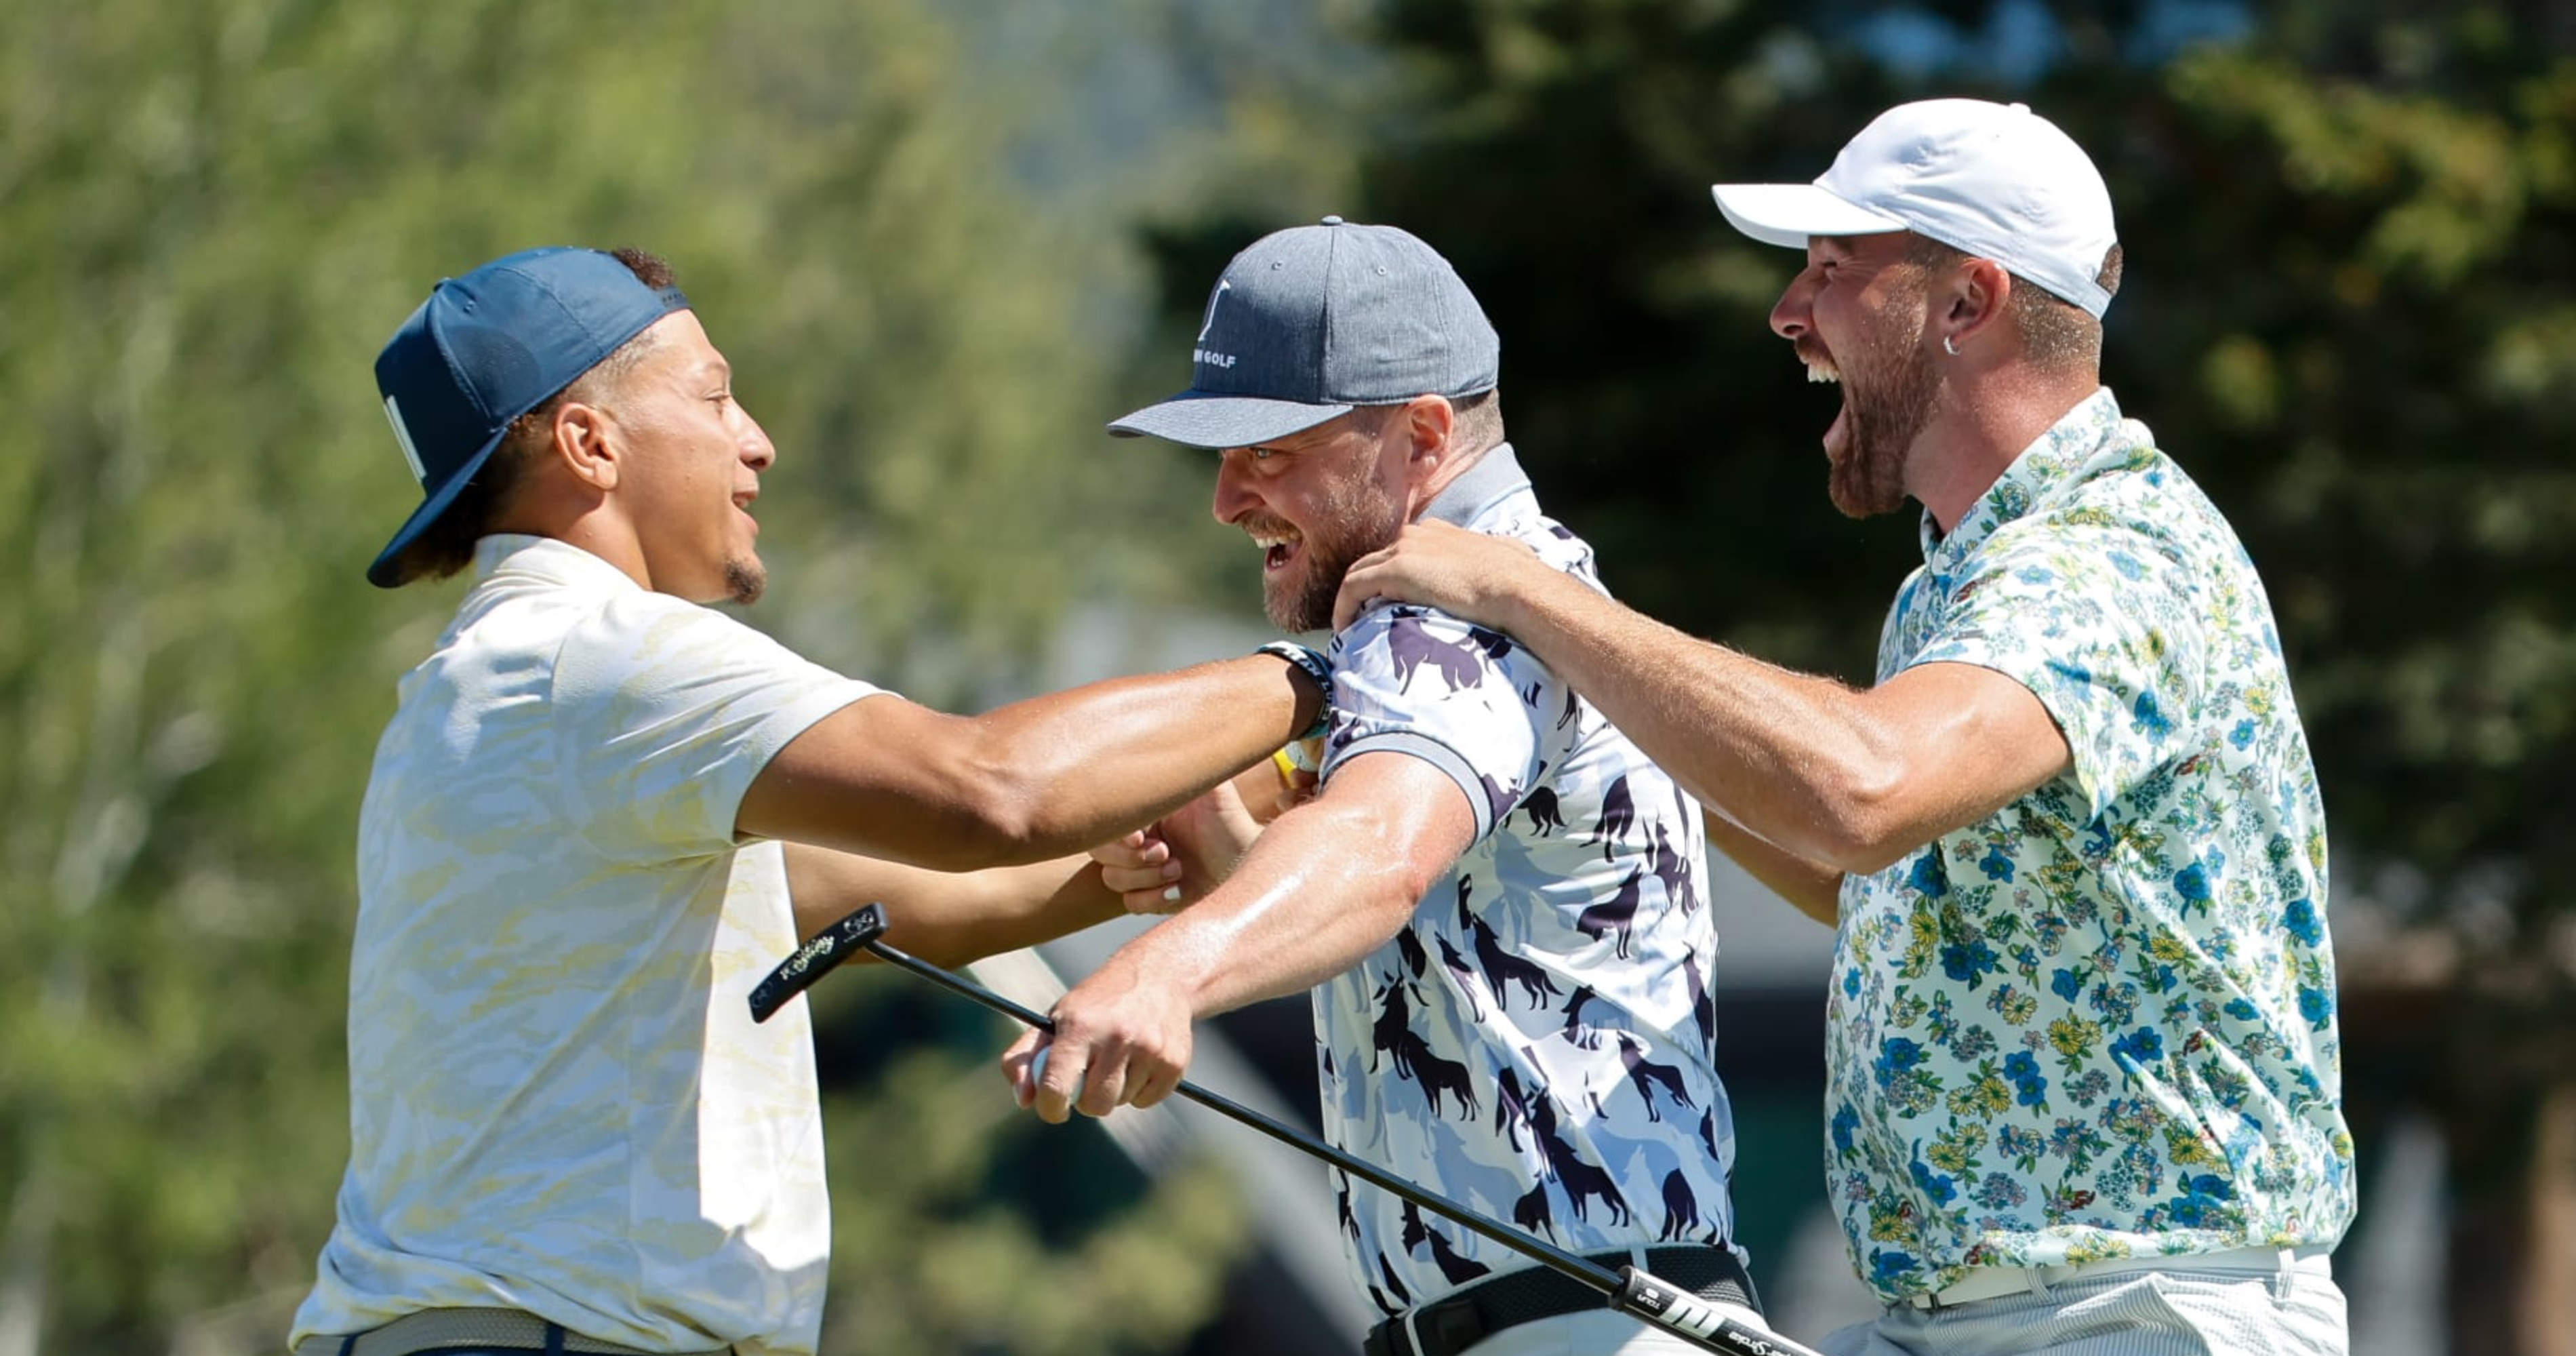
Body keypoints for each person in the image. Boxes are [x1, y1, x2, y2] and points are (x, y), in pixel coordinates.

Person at [1332, 101, 2354, 1355]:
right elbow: (1855, 870)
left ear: (1967, 304)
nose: (1787, 312)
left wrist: (1520, 590)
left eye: (1831, 269)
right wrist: (1575, 710)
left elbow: (1859, 792)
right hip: (1997, 1321)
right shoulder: (1959, 585)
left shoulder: (2104, 559)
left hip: (2136, 1317)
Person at [289, 245, 1333, 1356]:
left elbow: (858, 904)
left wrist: (1225, 808)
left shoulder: (486, 687)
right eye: (713, 395)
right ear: (590, 446)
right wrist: (1329, 674)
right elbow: (988, 789)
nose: (757, 440)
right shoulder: (601, 655)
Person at [1008, 218, 1759, 1356]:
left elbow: (1379, 855)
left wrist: (1168, 967)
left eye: (1268, 452)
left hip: (1575, 1329)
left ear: (1420, 436)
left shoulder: (1459, 611)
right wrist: (1232, 865)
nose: (1224, 501)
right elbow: (1434, 917)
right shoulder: (1507, 588)